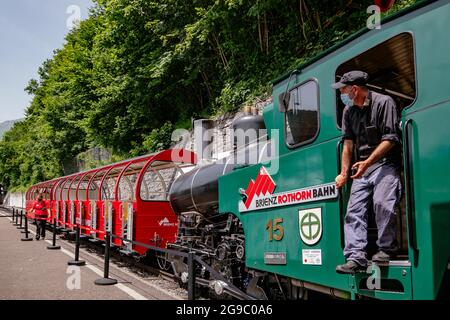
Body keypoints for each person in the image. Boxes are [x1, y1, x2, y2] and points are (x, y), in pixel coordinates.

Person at [331, 71, 402, 274]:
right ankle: (356, 258)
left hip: (385, 163)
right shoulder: (348, 111)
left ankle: (387, 250)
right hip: (362, 169)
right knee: (353, 211)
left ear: (355, 89)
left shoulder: (384, 102)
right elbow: (348, 144)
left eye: (344, 89)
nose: (342, 93)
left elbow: (390, 139)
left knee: (382, 203)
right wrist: (344, 173)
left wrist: (367, 162)